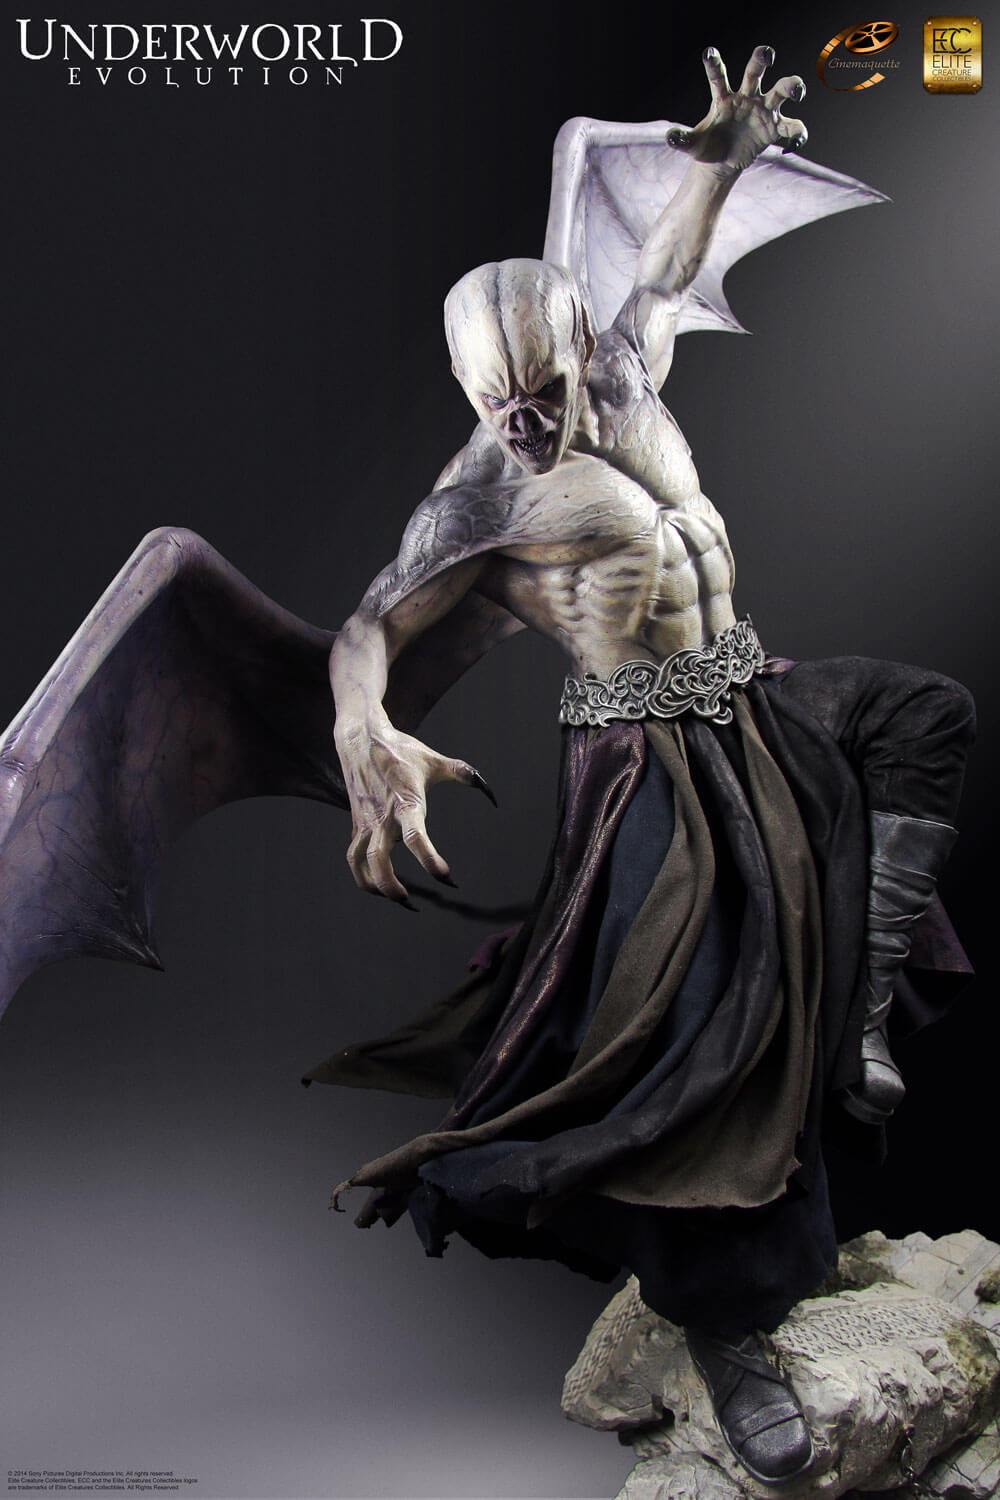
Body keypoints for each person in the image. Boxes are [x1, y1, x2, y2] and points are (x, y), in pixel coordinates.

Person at [321, 46, 973, 1485]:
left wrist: (717, 165)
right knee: (695, 1027)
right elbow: (368, 624)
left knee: (922, 717)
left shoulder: (622, 366)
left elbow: (666, 275)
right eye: (499, 404)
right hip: (642, 762)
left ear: (574, 344)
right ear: (469, 393)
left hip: (755, 695)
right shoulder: (479, 498)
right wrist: (364, 725)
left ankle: (861, 1017)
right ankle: (727, 1331)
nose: (527, 424)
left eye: (542, 390)